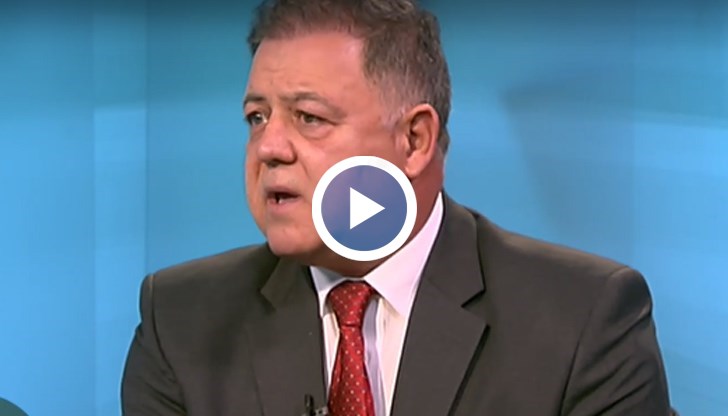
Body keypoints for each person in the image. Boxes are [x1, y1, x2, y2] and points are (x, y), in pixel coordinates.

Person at [121, 0, 673, 415]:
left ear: (414, 141)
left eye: (309, 117)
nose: (269, 147)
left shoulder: (582, 322)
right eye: (257, 117)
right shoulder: (182, 322)